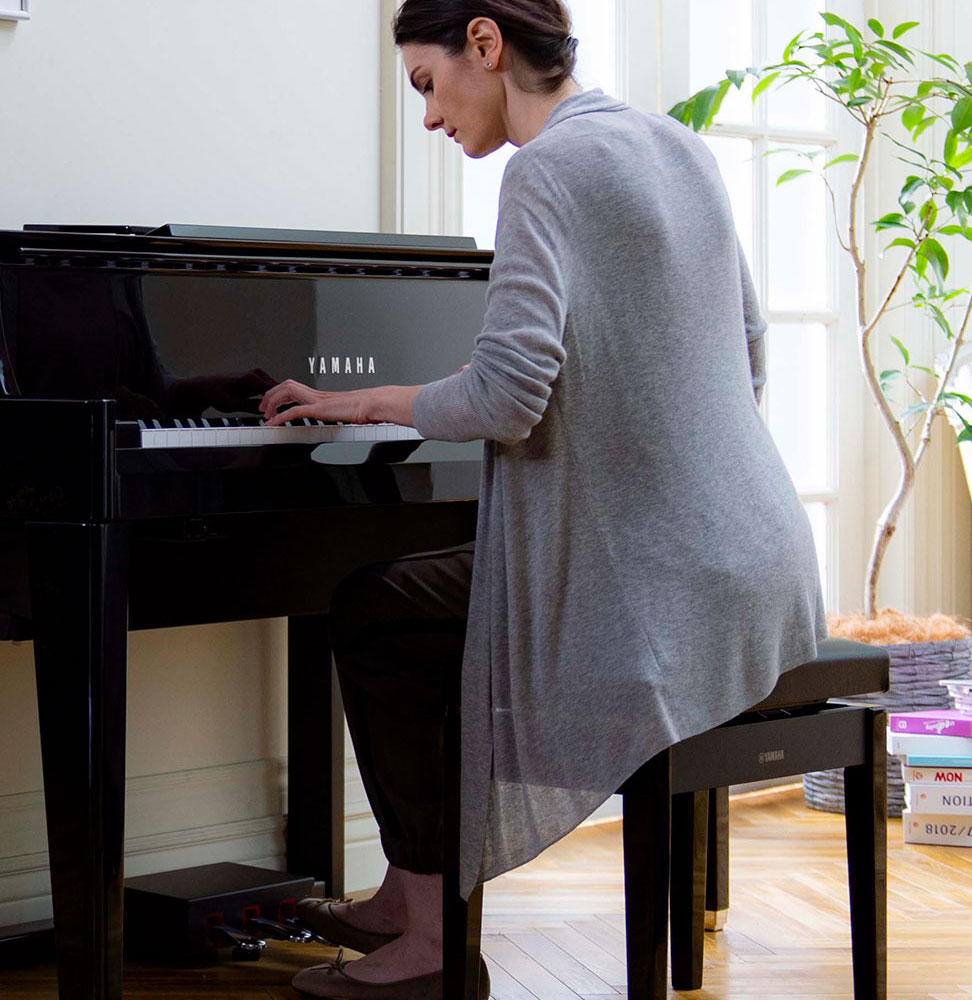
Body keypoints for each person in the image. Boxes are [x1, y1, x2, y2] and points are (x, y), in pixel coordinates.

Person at [262, 1, 827, 997]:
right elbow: (747, 349)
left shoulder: (546, 169)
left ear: (486, 45)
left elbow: (508, 395)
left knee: (375, 608)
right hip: (770, 565)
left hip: (662, 585)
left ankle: (431, 930)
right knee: (421, 601)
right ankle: (408, 890)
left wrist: (362, 401)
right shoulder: (676, 145)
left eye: (429, 85)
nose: (430, 118)